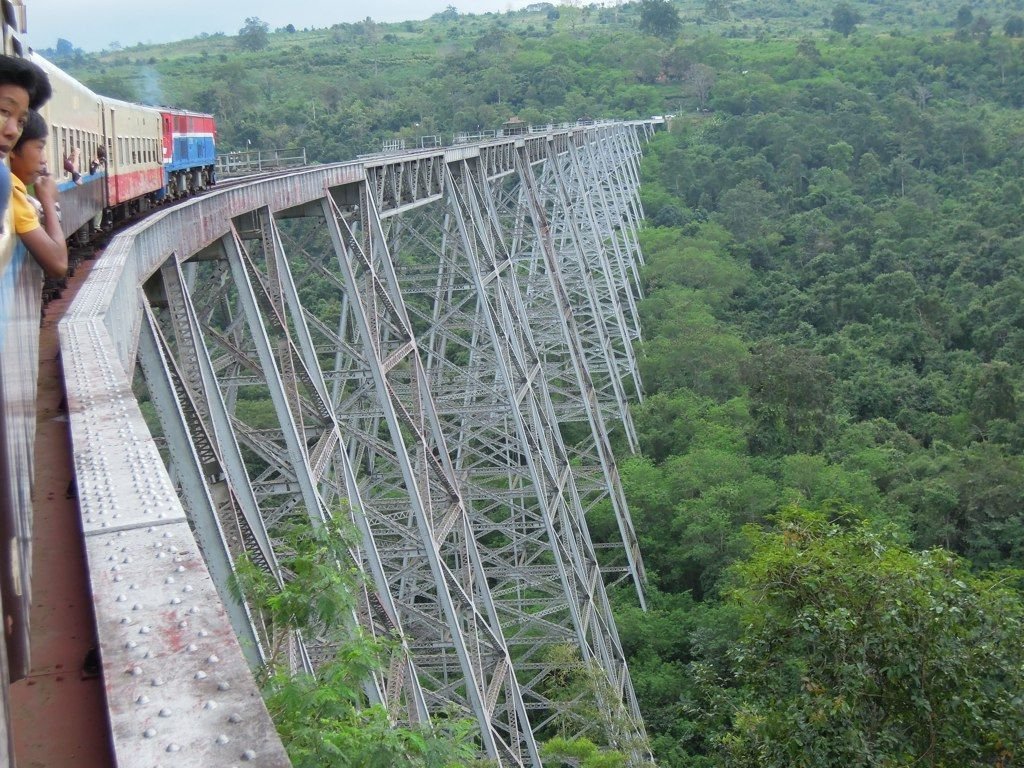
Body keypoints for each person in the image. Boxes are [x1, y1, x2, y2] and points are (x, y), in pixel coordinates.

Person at [9, 110, 66, 278]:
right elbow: (59, 265)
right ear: (12, 147)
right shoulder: (12, 193)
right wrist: (48, 201)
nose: (44, 159)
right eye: (40, 148)